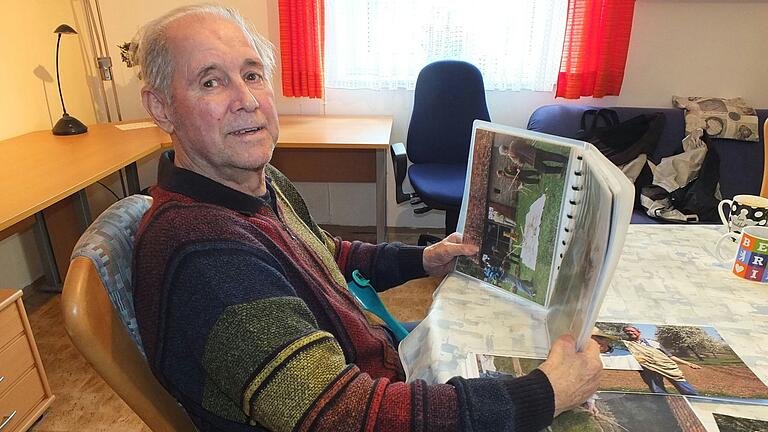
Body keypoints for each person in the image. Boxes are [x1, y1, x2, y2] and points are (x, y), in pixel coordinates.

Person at [130, 5, 603, 431]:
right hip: (363, 404)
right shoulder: (203, 251)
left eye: (252, 75)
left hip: (376, 368)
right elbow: (345, 417)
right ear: (162, 108)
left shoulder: (254, 184)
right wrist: (543, 394)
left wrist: (426, 259)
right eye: (211, 82)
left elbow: (324, 253)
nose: (247, 100)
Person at [622, 325, 701, 395]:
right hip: (647, 369)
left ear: (638, 332)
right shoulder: (627, 345)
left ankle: (694, 400)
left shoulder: (653, 343)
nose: (630, 333)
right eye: (627, 332)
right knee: (657, 391)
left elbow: (669, 355)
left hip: (665, 366)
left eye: (632, 331)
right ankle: (664, 404)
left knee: (681, 384)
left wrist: (688, 363)